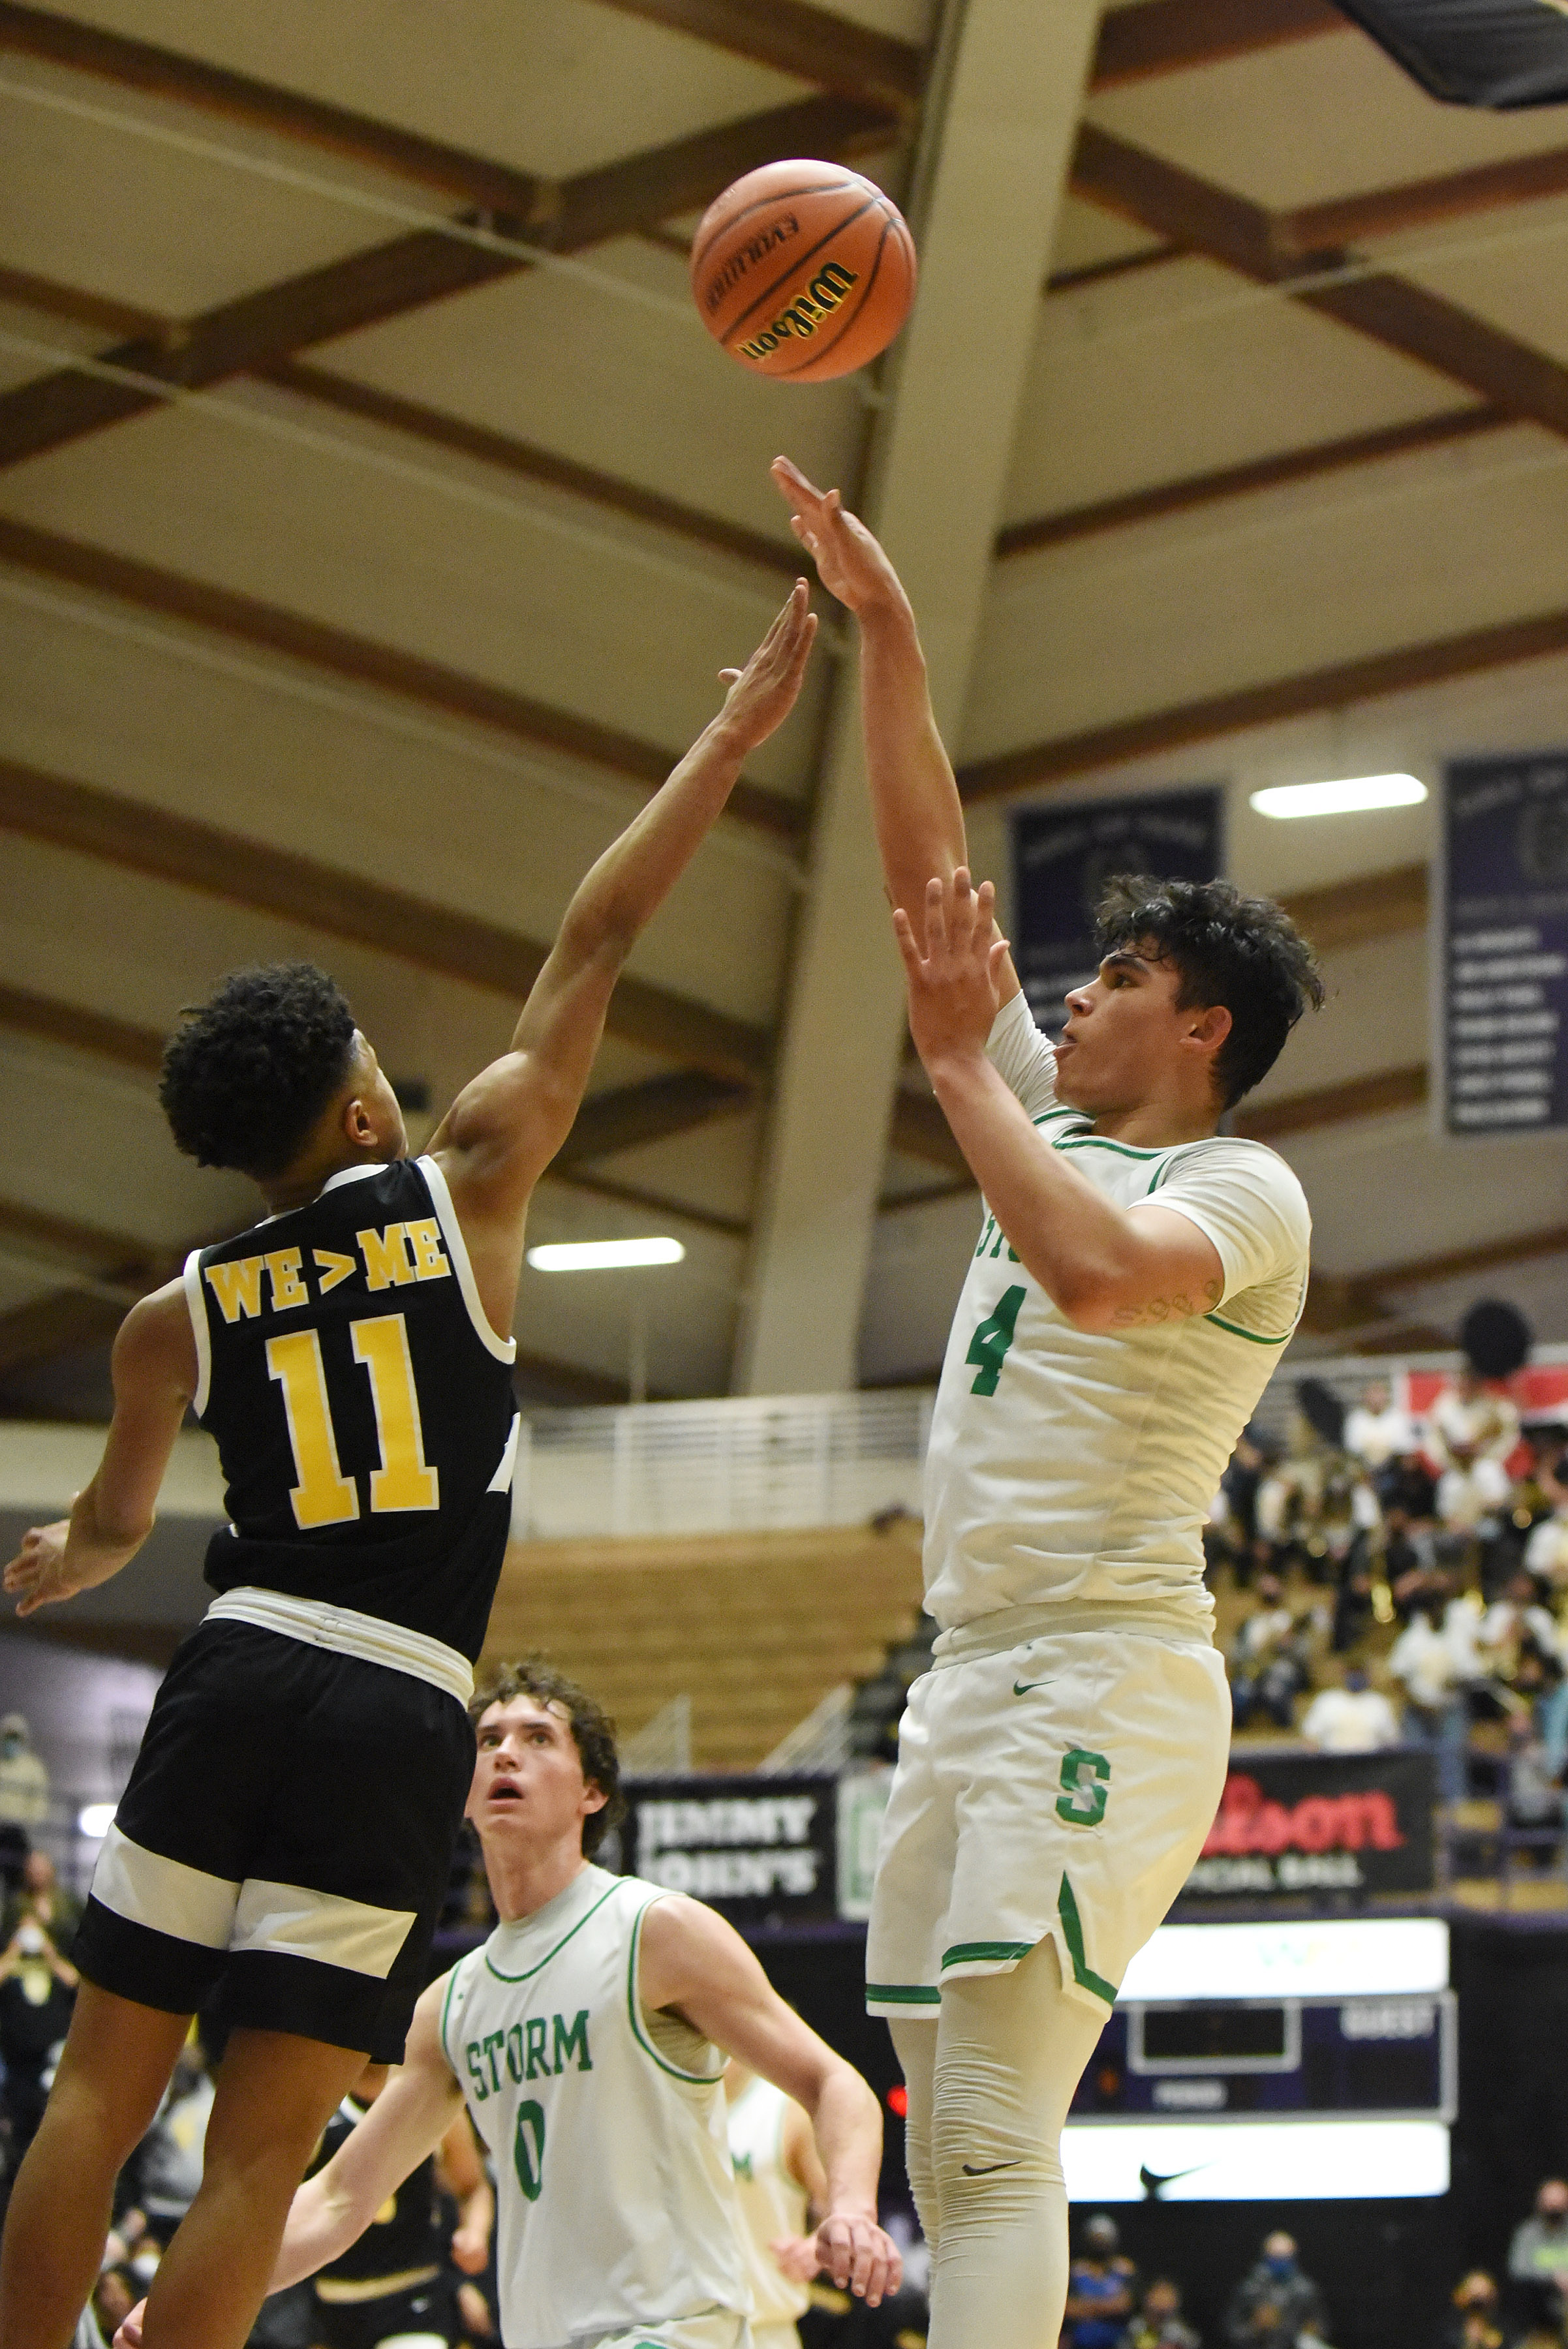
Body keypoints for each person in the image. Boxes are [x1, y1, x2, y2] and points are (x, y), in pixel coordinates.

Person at [0, 581, 820, 2349]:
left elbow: (118, 1523)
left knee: (95, 2094)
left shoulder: (174, 1316)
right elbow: (595, 942)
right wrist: (733, 734)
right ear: (368, 1116)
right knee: (258, 2146)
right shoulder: (470, 1186)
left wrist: (67, 1553)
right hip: (394, 1708)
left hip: (232, 1669)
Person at [771, 456, 1321, 2349]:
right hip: (968, 1671)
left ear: (1204, 1035)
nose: (1070, 995)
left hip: (1103, 1663)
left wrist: (957, 1067)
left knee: (996, 2134)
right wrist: (892, 631)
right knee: (957, 2149)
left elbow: (1094, 1277)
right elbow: (935, 883)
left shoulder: (1238, 1191)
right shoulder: (1053, 1117)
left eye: (1120, 976)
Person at [123, 1661, 900, 2349]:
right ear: (463, 1793)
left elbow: (836, 2085)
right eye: (490, 1738)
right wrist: (190, 2300)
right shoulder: (452, 2003)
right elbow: (336, 2199)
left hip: (669, 2327)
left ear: (592, 1791)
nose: (505, 1751)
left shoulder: (654, 1931)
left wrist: (853, 2210)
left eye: (538, 1739)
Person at [301, 2063, 491, 2349]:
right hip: (330, 2305)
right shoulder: (314, 2107)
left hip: (412, 2298)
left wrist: (475, 2233)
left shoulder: (430, 2103)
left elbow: (473, 2188)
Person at [725, 2057, 825, 2349]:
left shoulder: (787, 2110)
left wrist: (816, 2247)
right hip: (670, 2327)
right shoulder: (665, 2097)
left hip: (763, 2331)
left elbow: (838, 2206)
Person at [1223, 2234, 1330, 2349]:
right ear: (1266, 2256)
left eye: (1285, 2257)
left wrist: (1312, 2331)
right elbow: (1231, 2330)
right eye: (1277, 2257)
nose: (1281, 2262)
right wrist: (1256, 2326)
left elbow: (1322, 2327)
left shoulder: (1305, 2290)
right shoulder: (1250, 2289)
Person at [1064, 2216, 1137, 2349]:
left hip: (1117, 2343)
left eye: (1104, 2239)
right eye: (1096, 2239)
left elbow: (1124, 2305)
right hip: (1080, 2344)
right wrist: (1108, 2306)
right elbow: (1068, 2308)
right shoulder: (1076, 2271)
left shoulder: (1124, 2270)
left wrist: (1085, 2307)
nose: (1100, 2244)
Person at [1507, 2179, 1568, 2336]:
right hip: (1537, 2310)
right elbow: (1517, 2270)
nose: (1555, 2207)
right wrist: (1552, 2278)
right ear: (1540, 2203)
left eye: (1559, 2201)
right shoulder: (1527, 2234)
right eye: (1550, 2202)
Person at [1300, 1666, 1400, 1755]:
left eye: (1360, 1671)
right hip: (1334, 1765)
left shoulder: (1378, 1703)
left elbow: (1392, 1743)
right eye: (1352, 1671)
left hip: (1370, 1766)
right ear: (1343, 1673)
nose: (1356, 1676)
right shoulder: (1327, 1700)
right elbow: (1310, 1739)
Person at [1124, 2278, 1200, 2349]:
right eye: (1158, 2298)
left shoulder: (1179, 2333)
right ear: (1147, 2299)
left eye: (1167, 2300)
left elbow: (1193, 2342)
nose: (1162, 2306)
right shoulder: (1134, 2326)